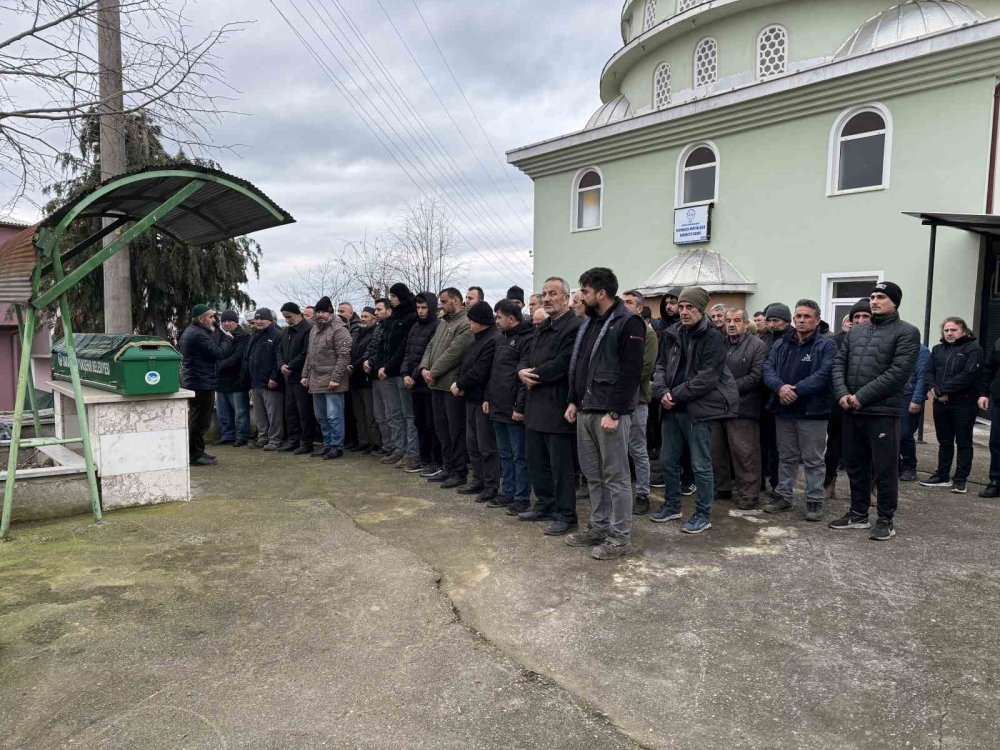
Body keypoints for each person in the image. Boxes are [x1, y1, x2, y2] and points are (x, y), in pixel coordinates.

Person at [564, 269, 645, 560]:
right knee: (593, 475)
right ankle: (598, 527)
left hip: (609, 414)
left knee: (617, 477)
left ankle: (620, 538)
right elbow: (582, 365)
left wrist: (615, 411)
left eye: (584, 291)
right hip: (586, 409)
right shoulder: (591, 323)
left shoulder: (628, 322)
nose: (580, 297)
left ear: (600, 293)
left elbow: (631, 373)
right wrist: (573, 400)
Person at [830, 281, 919, 541]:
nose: (874, 301)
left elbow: (898, 373)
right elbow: (839, 364)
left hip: (882, 412)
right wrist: (843, 395)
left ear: (895, 302)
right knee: (855, 465)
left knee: (884, 469)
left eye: (881, 297)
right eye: (872, 297)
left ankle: (884, 519)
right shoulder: (856, 333)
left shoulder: (907, 332)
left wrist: (861, 397)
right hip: (851, 410)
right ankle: (857, 514)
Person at [651, 286, 737, 533]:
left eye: (691, 307)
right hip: (671, 409)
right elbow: (660, 367)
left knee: (700, 465)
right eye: (682, 307)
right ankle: (672, 505)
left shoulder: (713, 338)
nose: (685, 312)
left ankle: (703, 514)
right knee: (668, 460)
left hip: (697, 410)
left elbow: (707, 377)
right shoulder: (671, 333)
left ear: (701, 310)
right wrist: (662, 392)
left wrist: (673, 395)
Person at [762, 299, 837, 521]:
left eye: (807, 316)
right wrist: (780, 388)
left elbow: (825, 374)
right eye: (798, 316)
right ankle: (784, 497)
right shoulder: (782, 343)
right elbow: (768, 367)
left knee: (813, 460)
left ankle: (814, 501)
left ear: (817, 320)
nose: (802, 320)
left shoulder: (827, 345)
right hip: (783, 410)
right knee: (786, 457)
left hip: (812, 412)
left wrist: (795, 390)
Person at [516, 277, 581, 527]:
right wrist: (522, 371)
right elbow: (526, 355)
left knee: (561, 467)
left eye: (553, 293)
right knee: (536, 462)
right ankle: (545, 504)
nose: (547, 298)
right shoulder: (541, 327)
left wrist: (535, 375)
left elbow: (565, 363)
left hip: (557, 407)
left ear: (566, 298)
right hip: (535, 406)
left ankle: (566, 514)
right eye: (544, 294)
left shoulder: (573, 327)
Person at [712, 307, 767, 510]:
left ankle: (749, 495)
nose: (732, 324)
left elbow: (756, 376)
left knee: (745, 453)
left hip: (744, 407)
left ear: (745, 323)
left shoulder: (757, 345)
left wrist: (727, 388)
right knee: (716, 452)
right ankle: (723, 488)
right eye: (728, 321)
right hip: (718, 406)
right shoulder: (719, 344)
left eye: (737, 320)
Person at [920, 317, 983, 493]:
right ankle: (942, 475)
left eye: (953, 330)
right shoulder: (938, 349)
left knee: (963, 441)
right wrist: (935, 390)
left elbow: (969, 374)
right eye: (946, 330)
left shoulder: (973, 349)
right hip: (941, 403)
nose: (949, 333)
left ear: (964, 330)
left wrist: (943, 391)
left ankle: (960, 479)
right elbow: (928, 372)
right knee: (944, 441)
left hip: (964, 402)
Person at [419, 288, 474, 489]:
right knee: (442, 429)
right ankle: (447, 466)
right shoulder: (443, 322)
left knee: (455, 431)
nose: (441, 305)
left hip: (450, 386)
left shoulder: (465, 323)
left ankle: (459, 471)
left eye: (444, 301)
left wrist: (432, 372)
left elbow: (454, 353)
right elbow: (430, 347)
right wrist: (424, 368)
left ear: (456, 301)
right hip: (435, 385)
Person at [485, 299, 534, 510]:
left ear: (511, 318)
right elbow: (494, 372)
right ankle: (507, 492)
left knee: (519, 455)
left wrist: (519, 407)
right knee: (504, 453)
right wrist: (487, 397)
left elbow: (525, 379)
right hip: (497, 405)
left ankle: (521, 497)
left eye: (499, 317)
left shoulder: (526, 340)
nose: (496, 321)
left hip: (513, 409)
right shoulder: (501, 339)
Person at [453, 301, 501, 501]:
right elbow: (465, 365)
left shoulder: (492, 340)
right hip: (470, 398)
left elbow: (481, 372)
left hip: (483, 400)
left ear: (481, 322)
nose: (469, 323)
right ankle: (478, 479)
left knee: (486, 446)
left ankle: (491, 485)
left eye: (471, 320)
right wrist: (458, 381)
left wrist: (461, 384)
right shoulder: (475, 340)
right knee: (472, 443)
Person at [824, 299, 870, 498]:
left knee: (867, 450)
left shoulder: (880, 340)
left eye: (865, 316)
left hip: (868, 402)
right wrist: (842, 394)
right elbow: (833, 370)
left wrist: (861, 395)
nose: (860, 320)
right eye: (856, 317)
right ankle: (829, 483)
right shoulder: (836, 342)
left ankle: (870, 489)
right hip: (839, 403)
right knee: (833, 447)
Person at [179, 304, 234, 466]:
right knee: (199, 420)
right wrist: (228, 339)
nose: (214, 320)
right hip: (200, 381)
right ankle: (194, 455)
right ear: (201, 318)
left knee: (199, 419)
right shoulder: (197, 334)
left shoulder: (195, 331)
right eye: (210, 317)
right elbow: (218, 353)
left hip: (199, 379)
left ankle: (197, 451)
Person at [301, 297, 353, 459]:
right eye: (318, 312)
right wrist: (305, 375)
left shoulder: (340, 329)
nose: (320, 315)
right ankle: (327, 443)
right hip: (316, 379)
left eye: (324, 311)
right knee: (321, 416)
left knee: (334, 415)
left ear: (330, 312)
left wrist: (336, 378)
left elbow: (344, 356)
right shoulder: (314, 329)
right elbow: (310, 354)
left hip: (332, 380)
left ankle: (337, 446)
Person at [622, 289, 658, 515]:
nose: (624, 305)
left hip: (636, 400)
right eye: (622, 302)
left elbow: (645, 368)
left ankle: (643, 493)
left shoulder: (648, 333)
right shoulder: (617, 329)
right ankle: (622, 492)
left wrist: (619, 382)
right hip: (616, 400)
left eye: (629, 302)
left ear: (638, 308)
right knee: (618, 451)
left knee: (637, 449)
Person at [379, 284, 420, 470]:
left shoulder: (411, 317)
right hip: (388, 372)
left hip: (401, 372)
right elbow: (384, 344)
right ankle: (399, 448)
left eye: (394, 296)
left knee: (408, 414)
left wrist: (389, 367)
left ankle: (412, 452)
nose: (392, 299)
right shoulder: (392, 318)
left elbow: (404, 347)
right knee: (394, 414)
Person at [403, 292, 442, 476]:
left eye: (424, 307)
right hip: (413, 384)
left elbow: (430, 356)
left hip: (428, 384)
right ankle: (424, 457)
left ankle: (436, 460)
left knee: (431, 423)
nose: (420, 311)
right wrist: (405, 374)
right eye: (418, 307)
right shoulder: (414, 327)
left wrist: (415, 376)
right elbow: (408, 353)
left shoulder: (437, 326)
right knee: (419, 422)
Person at [759, 302, 792, 495]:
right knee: (765, 444)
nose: (772, 324)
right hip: (765, 399)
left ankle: (778, 483)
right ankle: (763, 480)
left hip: (784, 398)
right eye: (769, 320)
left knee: (781, 449)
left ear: (786, 321)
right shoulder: (765, 339)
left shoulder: (792, 339)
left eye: (776, 320)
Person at [242, 308, 284, 451]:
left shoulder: (277, 335)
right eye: (257, 319)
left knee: (274, 414)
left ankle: (275, 439)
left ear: (270, 320)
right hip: (256, 382)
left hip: (270, 383)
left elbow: (278, 359)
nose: (259, 322)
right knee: (260, 414)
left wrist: (274, 377)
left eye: (262, 319)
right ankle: (263, 437)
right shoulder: (255, 335)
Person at [279, 302, 315, 455]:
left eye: (289, 317)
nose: (287, 320)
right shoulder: (286, 330)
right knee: (290, 411)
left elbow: (306, 352)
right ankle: (294, 439)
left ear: (298, 314)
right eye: (285, 317)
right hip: (288, 377)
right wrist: (282, 365)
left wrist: (291, 366)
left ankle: (306, 442)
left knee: (304, 411)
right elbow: (279, 350)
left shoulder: (307, 329)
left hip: (301, 376)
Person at [214, 310, 251, 447]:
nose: (227, 324)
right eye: (224, 321)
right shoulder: (218, 335)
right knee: (222, 412)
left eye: (230, 321)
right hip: (221, 380)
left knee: (240, 411)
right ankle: (227, 435)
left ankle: (242, 436)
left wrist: (218, 366)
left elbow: (238, 357)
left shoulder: (244, 336)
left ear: (236, 321)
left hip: (237, 379)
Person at [348, 306, 380, 453]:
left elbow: (365, 355)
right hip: (355, 379)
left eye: (366, 316)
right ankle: (363, 440)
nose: (363, 319)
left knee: (369, 414)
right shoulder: (358, 334)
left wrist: (353, 366)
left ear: (373, 318)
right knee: (359, 414)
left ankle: (374, 442)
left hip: (366, 378)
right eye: (362, 316)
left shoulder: (375, 333)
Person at [365, 299, 394, 457]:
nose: (375, 313)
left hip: (386, 375)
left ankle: (394, 447)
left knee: (390, 414)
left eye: (379, 309)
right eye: (375, 310)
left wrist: (372, 361)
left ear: (389, 311)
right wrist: (366, 361)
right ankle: (387, 445)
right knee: (379, 415)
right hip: (375, 374)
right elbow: (372, 348)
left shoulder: (391, 327)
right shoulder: (379, 328)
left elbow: (385, 350)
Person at [900, 339, 931, 483]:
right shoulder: (893, 347)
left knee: (905, 433)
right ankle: (896, 465)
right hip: (892, 396)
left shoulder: (921, 351)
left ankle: (909, 466)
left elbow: (922, 376)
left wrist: (917, 399)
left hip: (909, 396)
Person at [978, 336, 1000, 498]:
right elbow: (988, 369)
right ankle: (995, 481)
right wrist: (984, 393)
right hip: (998, 399)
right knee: (996, 442)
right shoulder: (998, 341)